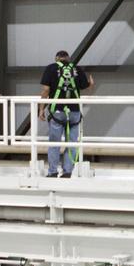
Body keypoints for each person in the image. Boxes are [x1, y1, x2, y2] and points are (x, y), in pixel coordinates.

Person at [39, 50, 94, 178]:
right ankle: (67, 171)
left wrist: (41, 108)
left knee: (54, 143)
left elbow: (46, 90)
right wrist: (91, 84)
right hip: (74, 112)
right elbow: (85, 86)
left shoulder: (51, 68)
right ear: (68, 58)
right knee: (72, 143)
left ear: (57, 58)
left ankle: (52, 172)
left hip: (57, 111)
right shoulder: (77, 69)